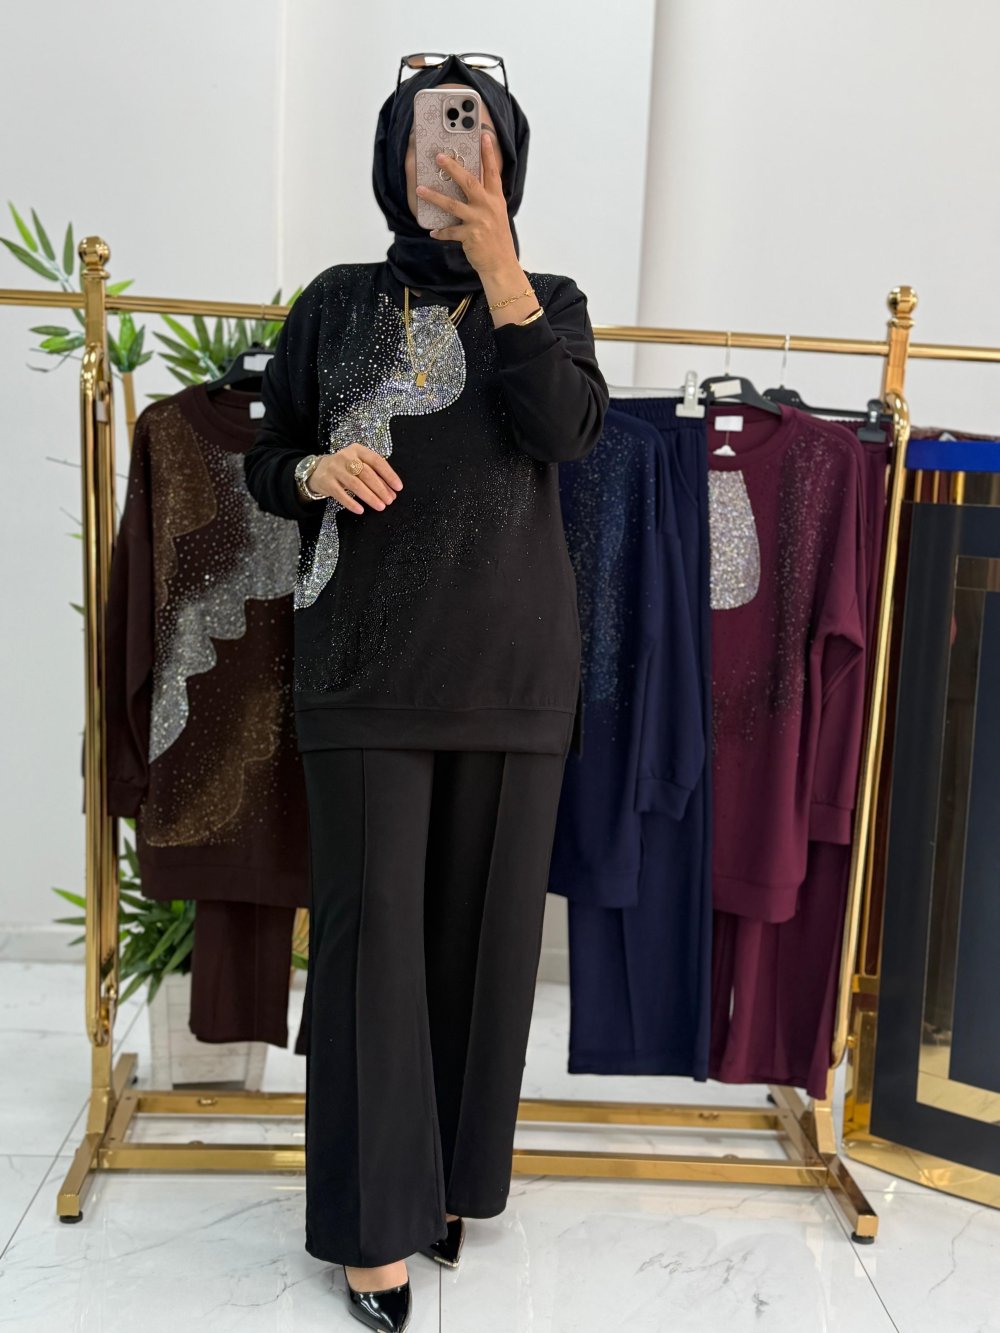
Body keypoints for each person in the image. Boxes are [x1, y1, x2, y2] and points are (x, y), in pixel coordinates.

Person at [243, 51, 608, 1332]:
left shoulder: (549, 301)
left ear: (506, 156)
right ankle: (370, 1228)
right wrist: (312, 473)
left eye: (471, 136)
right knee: (368, 953)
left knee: (479, 948)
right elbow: (265, 457)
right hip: (362, 667)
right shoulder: (335, 301)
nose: (446, 158)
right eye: (424, 137)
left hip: (512, 670)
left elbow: (565, 432)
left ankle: (442, 1183)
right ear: (392, 160)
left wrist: (501, 267)